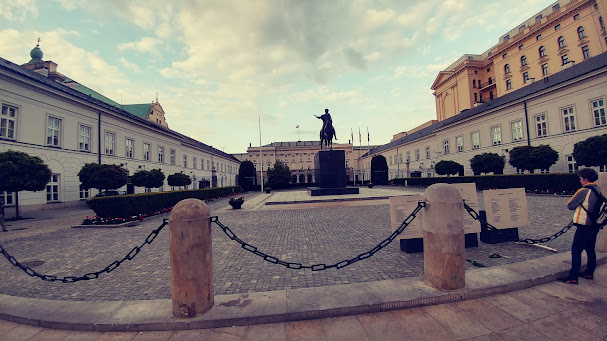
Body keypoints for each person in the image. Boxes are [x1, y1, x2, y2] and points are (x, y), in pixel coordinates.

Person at [559, 168, 602, 284]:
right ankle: (589, 272)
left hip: (584, 226)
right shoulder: (597, 189)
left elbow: (570, 205)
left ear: (586, 179)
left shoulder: (584, 190)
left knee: (576, 251)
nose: (580, 180)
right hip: (594, 226)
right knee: (590, 250)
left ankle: (573, 277)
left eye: (581, 178)